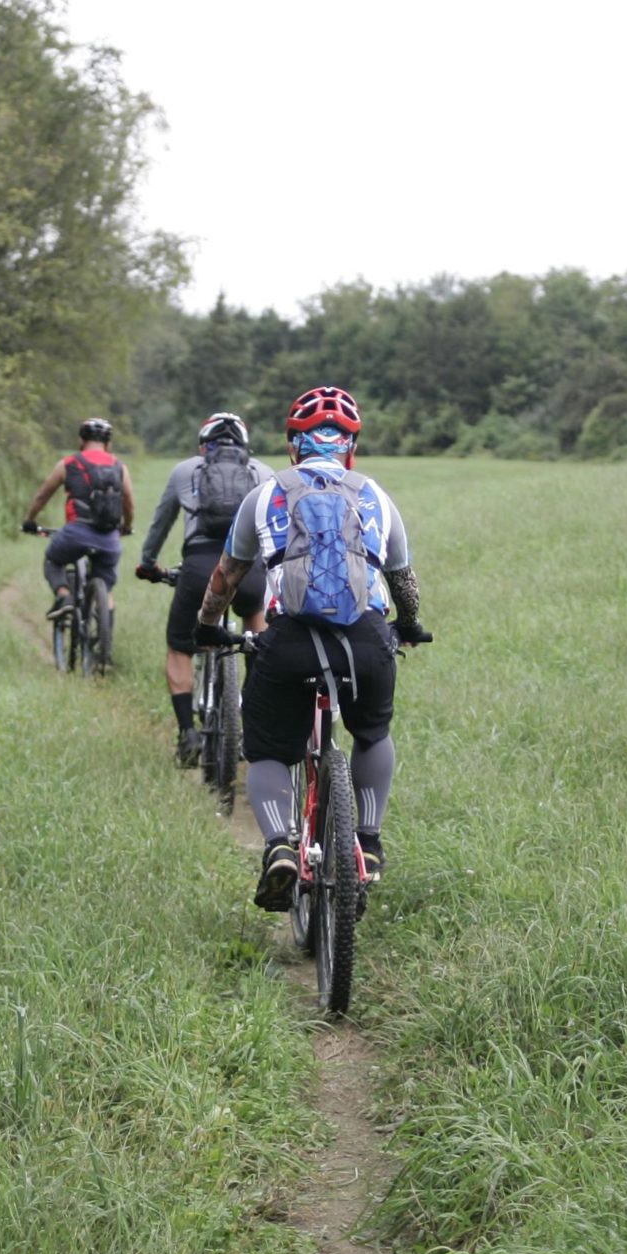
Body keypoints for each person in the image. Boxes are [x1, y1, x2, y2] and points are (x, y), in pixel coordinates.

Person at [197, 385, 431, 910]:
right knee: (372, 732)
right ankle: (366, 844)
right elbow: (403, 580)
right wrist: (410, 625)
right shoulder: (375, 494)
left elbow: (226, 576)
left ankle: (280, 845)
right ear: (350, 445)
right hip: (366, 641)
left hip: (290, 642)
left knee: (268, 750)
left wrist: (208, 626)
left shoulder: (264, 494)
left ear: (292, 445)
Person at [134, 412, 273, 764]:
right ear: (244, 446)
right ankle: (251, 719)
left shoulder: (185, 470)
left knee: (180, 646)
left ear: (203, 446)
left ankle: (188, 733)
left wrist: (148, 563)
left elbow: (160, 524)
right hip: (249, 571)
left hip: (198, 570)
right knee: (260, 636)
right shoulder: (262, 472)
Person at [21, 418, 135, 621]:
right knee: (106, 587)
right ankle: (104, 641)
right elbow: (129, 503)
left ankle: (64, 596)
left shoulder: (69, 464)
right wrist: (126, 527)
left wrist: (29, 520)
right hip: (109, 540)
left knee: (53, 560)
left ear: (81, 440)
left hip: (75, 534)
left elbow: (42, 495)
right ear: (108, 444)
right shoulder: (120, 467)